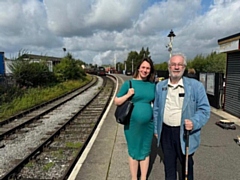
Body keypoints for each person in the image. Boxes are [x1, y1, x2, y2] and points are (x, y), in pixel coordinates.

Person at [153, 53, 210, 180]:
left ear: (184, 67)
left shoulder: (196, 86)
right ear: (169, 67)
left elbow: (205, 110)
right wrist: (156, 130)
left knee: (186, 167)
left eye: (180, 64)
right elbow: (156, 109)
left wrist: (194, 122)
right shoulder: (160, 86)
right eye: (173, 64)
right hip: (166, 132)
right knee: (169, 167)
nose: (176, 67)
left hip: (184, 133)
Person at [114, 57, 156, 180]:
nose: (145, 70)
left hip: (148, 124)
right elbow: (116, 101)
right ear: (138, 68)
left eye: (148, 68)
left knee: (145, 150)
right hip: (132, 124)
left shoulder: (152, 85)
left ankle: (143, 178)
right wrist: (128, 94)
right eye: (143, 67)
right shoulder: (129, 84)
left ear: (150, 70)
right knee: (134, 149)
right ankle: (134, 177)